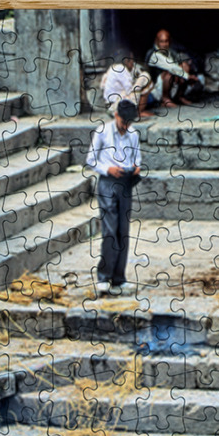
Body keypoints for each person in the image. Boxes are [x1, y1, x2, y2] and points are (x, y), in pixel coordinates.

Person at [85, 99, 142, 297]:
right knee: (110, 231)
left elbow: (137, 158)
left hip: (125, 183)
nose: (125, 126)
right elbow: (90, 160)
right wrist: (107, 168)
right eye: (123, 121)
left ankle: (119, 278)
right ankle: (103, 276)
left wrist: (136, 167)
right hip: (108, 182)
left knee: (123, 232)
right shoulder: (102, 132)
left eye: (129, 123)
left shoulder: (133, 135)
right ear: (116, 116)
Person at [145, 30, 200, 108]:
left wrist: (183, 71)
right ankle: (165, 99)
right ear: (156, 41)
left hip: (173, 84)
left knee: (184, 65)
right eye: (161, 42)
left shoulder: (170, 52)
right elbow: (171, 66)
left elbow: (179, 65)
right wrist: (187, 76)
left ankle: (179, 96)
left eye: (166, 41)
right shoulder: (153, 54)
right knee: (169, 72)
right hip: (157, 89)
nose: (164, 44)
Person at [100, 47, 155, 117]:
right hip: (119, 107)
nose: (133, 63)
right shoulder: (121, 69)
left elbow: (102, 86)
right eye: (132, 60)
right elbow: (129, 89)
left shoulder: (112, 68)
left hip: (111, 107)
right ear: (126, 61)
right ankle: (139, 112)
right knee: (145, 77)